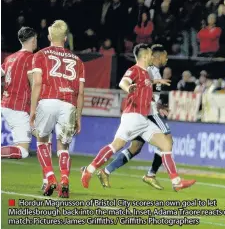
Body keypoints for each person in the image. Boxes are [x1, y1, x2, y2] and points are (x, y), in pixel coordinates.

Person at [80, 44, 196, 191]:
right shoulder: (134, 70)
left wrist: (156, 86)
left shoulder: (146, 74)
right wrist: (129, 88)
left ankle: (176, 181)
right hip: (133, 117)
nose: (152, 57)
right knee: (116, 145)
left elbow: (145, 88)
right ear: (145, 56)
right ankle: (89, 170)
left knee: (166, 144)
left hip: (144, 120)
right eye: (150, 55)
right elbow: (124, 82)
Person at [95, 44, 171, 190]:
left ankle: (106, 171)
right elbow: (139, 86)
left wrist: (159, 105)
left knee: (135, 148)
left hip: (148, 111)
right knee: (167, 140)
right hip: (147, 114)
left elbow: (149, 92)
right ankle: (152, 174)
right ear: (156, 56)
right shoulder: (148, 70)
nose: (166, 59)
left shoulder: (155, 72)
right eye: (165, 56)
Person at [29, 20, 85, 198]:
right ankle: (65, 180)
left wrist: (32, 110)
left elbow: (37, 82)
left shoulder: (40, 55)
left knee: (42, 140)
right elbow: (81, 93)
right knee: (64, 146)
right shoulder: (78, 61)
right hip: (68, 104)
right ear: (66, 38)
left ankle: (50, 177)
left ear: (49, 37)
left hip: (47, 101)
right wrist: (78, 117)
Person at [1, 27, 37, 160]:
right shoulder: (31, 59)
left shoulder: (10, 57)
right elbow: (34, 84)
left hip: (6, 104)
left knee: (41, 134)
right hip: (18, 108)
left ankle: (48, 175)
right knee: (23, 151)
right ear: (33, 40)